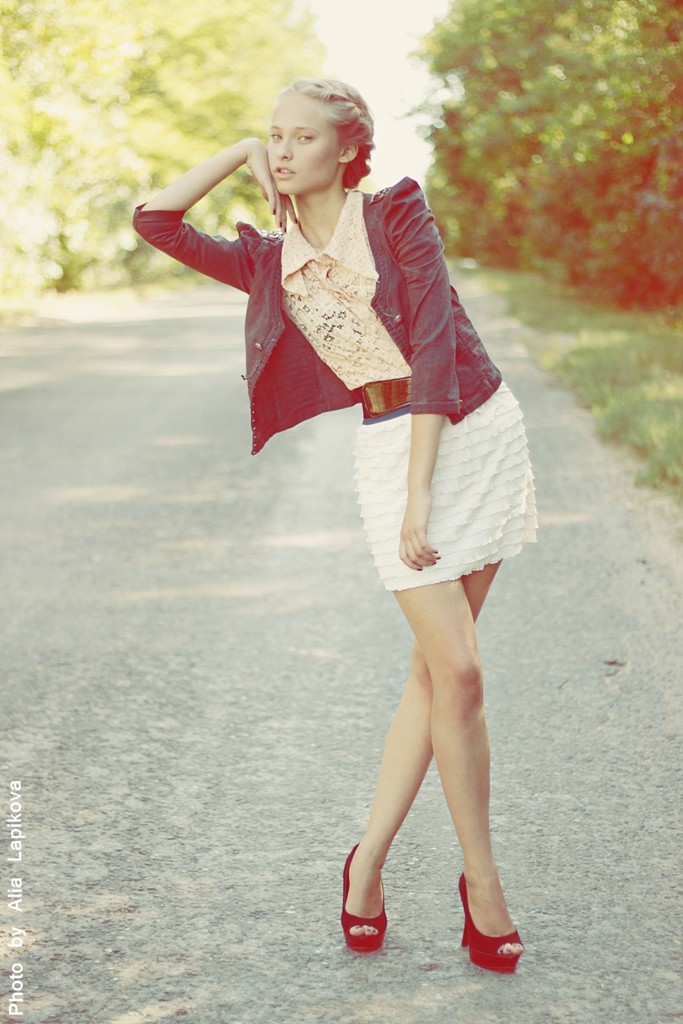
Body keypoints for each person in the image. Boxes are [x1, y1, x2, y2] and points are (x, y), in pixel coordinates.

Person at [133, 78, 537, 974]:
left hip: (471, 434)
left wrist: (421, 495)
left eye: (302, 137)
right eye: (274, 137)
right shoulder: (266, 260)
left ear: (348, 150)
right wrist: (239, 154)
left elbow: (433, 346)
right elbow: (155, 221)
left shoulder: (396, 215)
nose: (283, 151)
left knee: (440, 673)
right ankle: (474, 882)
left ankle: (372, 867)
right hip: (388, 447)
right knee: (457, 669)